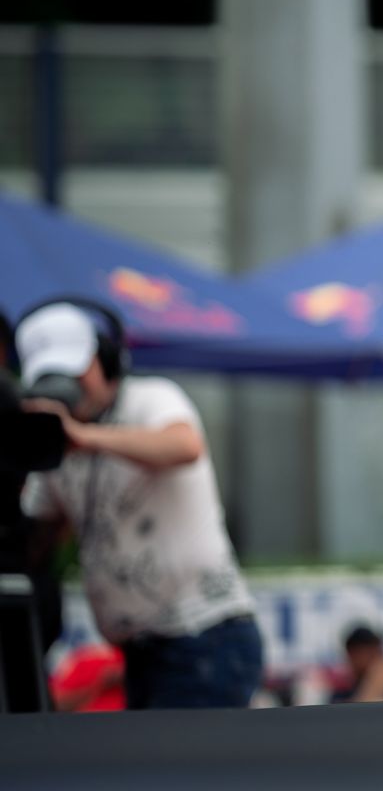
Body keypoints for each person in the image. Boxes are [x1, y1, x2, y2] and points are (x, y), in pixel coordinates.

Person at [14, 298, 262, 708]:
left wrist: (86, 438)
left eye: (76, 373)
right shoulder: (54, 439)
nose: (69, 388)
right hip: (139, 651)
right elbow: (36, 538)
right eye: (52, 377)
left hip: (204, 637)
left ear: (106, 360)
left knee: (180, 771)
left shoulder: (151, 398)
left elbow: (185, 445)